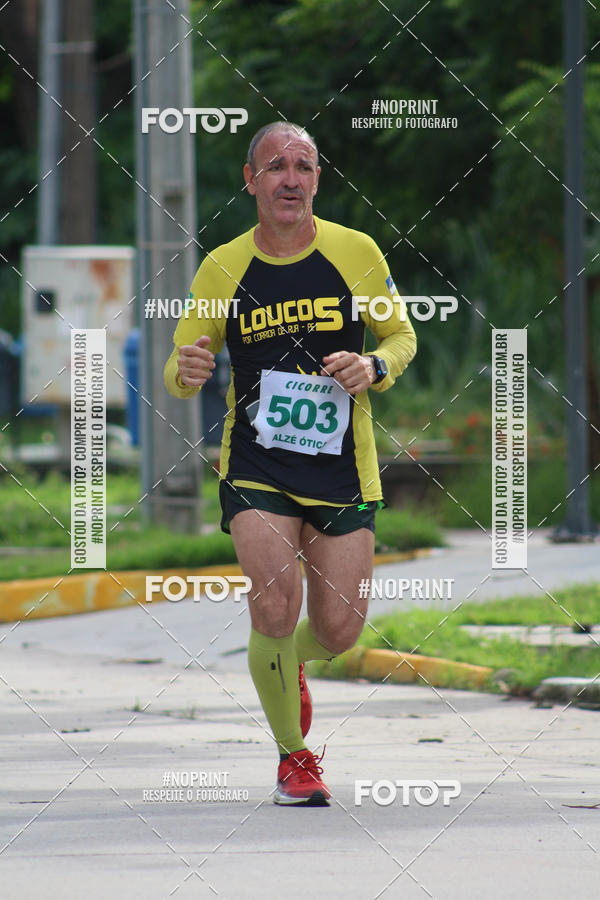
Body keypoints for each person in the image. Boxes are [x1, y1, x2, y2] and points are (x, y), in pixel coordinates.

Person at [164, 121, 416, 806]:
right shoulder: (222, 266)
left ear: (316, 180)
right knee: (273, 602)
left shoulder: (354, 251)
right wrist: (185, 370)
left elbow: (400, 334)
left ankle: (287, 663)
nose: (291, 178)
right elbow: (181, 366)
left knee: (339, 630)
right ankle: (294, 759)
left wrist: (374, 364)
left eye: (304, 165)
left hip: (341, 466)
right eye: (276, 165)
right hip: (256, 465)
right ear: (251, 181)